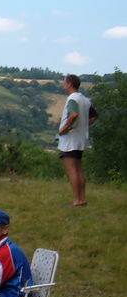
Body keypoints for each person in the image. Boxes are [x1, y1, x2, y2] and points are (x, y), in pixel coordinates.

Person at [58, 74, 96, 207]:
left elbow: (74, 114)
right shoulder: (85, 99)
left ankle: (77, 200)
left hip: (70, 139)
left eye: (65, 82)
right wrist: (83, 125)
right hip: (80, 139)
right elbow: (93, 116)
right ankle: (82, 199)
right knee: (79, 170)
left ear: (69, 83)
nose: (64, 85)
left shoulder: (72, 98)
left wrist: (65, 128)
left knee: (72, 170)